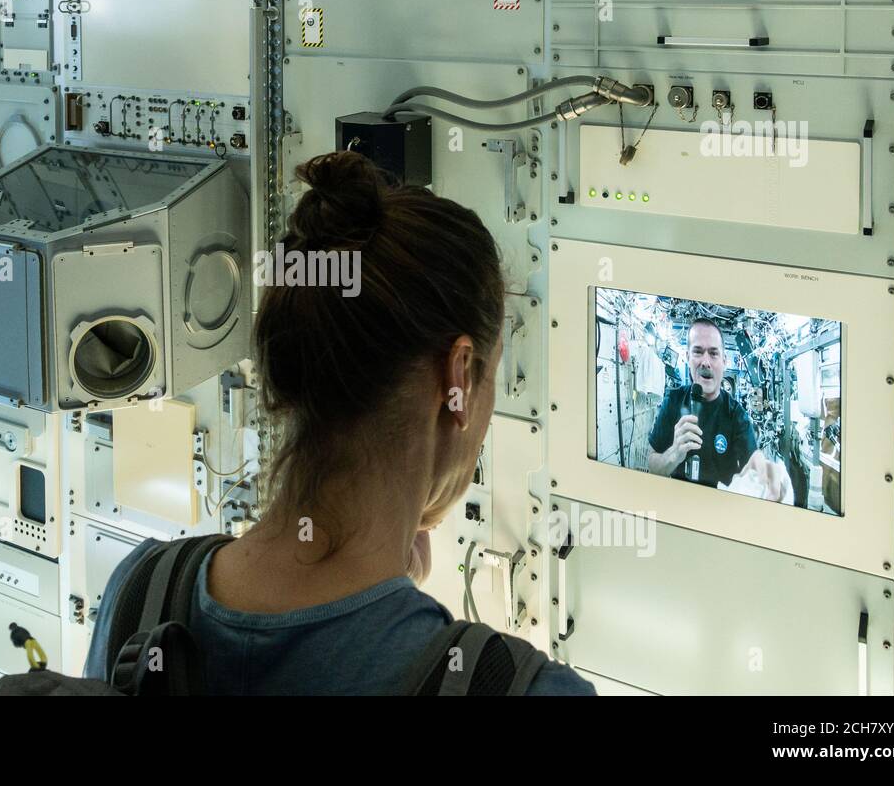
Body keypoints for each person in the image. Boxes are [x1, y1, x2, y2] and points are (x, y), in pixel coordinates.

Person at [84, 150, 594, 695]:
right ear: (459, 378)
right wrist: (391, 612)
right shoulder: (516, 689)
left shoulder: (140, 597)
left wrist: (385, 593)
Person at [647, 318, 790, 500]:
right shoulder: (673, 401)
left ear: (724, 361)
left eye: (713, 353)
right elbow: (652, 465)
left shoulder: (736, 415)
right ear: (688, 357)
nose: (706, 362)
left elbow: (753, 462)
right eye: (698, 352)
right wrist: (673, 454)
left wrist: (765, 477)